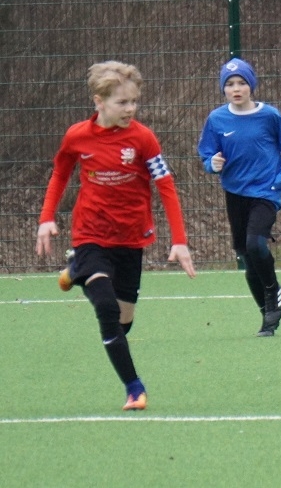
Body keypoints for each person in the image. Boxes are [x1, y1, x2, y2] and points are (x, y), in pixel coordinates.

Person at [35, 61, 197, 411]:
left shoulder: (143, 138)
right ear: (99, 101)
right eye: (122, 102)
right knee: (107, 309)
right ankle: (134, 388)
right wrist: (46, 218)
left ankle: (75, 270)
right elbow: (60, 173)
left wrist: (179, 240)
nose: (130, 109)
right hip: (90, 234)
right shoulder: (77, 136)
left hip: (131, 239)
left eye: (134, 101)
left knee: (123, 323)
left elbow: (166, 185)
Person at [198, 57, 281, 337]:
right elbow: (207, 153)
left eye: (242, 82)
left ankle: (272, 291)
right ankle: (266, 315)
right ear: (223, 89)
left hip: (266, 192)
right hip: (235, 194)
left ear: (251, 86)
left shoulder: (269, 116)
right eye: (230, 84)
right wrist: (212, 163)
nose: (236, 88)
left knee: (256, 244)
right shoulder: (217, 119)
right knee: (246, 256)